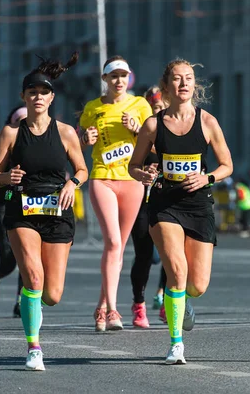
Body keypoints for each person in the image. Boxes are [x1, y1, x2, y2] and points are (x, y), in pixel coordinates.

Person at [0, 52, 87, 371]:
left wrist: (72, 183)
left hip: (58, 214)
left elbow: (83, 169)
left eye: (43, 92)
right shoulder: (12, 133)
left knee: (52, 294)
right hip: (22, 212)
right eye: (32, 92)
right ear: (24, 97)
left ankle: (33, 307)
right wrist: (7, 178)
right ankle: (34, 347)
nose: (38, 97)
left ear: (51, 97)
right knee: (33, 277)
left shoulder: (67, 133)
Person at [129, 59, 233, 364]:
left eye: (188, 78)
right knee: (176, 271)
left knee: (197, 285)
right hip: (164, 204)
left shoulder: (208, 122)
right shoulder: (153, 124)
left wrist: (207, 176)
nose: (184, 84)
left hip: (199, 204)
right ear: (166, 87)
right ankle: (176, 343)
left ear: (194, 85)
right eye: (177, 79)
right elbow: (133, 166)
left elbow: (227, 165)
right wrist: (143, 175)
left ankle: (183, 302)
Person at [79, 56, 152, 331]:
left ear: (128, 78)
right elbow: (78, 139)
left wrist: (137, 130)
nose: (119, 81)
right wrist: (85, 139)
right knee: (111, 241)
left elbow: (152, 140)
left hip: (132, 180)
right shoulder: (92, 107)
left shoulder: (140, 105)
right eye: (113, 76)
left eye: (123, 76)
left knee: (118, 248)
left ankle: (99, 307)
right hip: (103, 179)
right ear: (105, 80)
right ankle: (112, 310)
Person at [128, 86, 169, 328]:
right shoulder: (139, 132)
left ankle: (165, 299)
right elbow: (129, 163)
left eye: (162, 107)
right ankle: (139, 303)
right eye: (154, 108)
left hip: (168, 200)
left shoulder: (175, 129)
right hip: (142, 200)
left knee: (169, 254)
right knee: (145, 255)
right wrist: (145, 170)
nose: (158, 111)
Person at [0, 105, 28, 317]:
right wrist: (7, 177)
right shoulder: (6, 144)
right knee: (10, 261)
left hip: (34, 207)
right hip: (8, 202)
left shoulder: (43, 144)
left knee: (28, 257)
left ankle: (22, 301)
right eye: (19, 121)